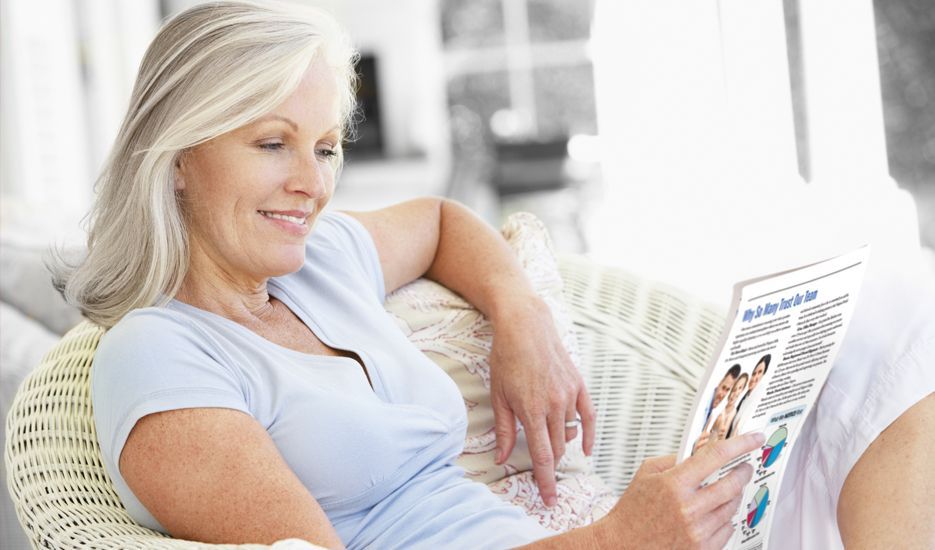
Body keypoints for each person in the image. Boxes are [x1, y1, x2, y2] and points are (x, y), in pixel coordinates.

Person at [54, 2, 762, 548]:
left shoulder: (317, 264)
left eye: (326, 148)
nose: (311, 183)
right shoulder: (158, 356)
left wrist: (521, 314)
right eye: (273, 144)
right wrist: (618, 541)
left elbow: (440, 221)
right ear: (176, 158)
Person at [727, 354, 769, 438]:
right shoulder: (744, 399)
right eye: (754, 373)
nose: (755, 377)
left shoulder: (759, 394)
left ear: (763, 374)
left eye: (760, 372)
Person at [711, 373, 748, 441]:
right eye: (735, 389)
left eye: (740, 388)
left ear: (743, 390)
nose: (736, 392)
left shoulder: (734, 413)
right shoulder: (719, 408)